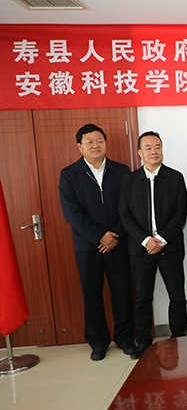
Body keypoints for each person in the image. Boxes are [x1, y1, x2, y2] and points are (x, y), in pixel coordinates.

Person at [59, 124, 135, 361]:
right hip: (87, 246)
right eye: (89, 141)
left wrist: (114, 235)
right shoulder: (69, 174)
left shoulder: (121, 171)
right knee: (91, 295)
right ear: (79, 146)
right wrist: (99, 236)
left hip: (118, 243)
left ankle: (125, 338)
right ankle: (98, 342)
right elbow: (72, 212)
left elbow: (129, 207)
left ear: (105, 143)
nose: (95, 145)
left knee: (122, 293)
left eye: (100, 140)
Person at [119, 131, 187, 359]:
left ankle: (179, 336)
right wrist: (146, 240)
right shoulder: (129, 181)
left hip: (170, 247)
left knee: (177, 295)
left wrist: (161, 239)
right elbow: (125, 215)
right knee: (142, 297)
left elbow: (180, 213)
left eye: (157, 146)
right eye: (148, 147)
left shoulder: (175, 178)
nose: (153, 151)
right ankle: (144, 340)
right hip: (140, 249)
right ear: (140, 152)